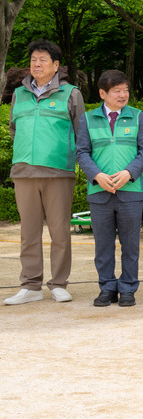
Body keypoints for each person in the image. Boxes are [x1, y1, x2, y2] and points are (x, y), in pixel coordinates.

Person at [4, 40, 84, 306]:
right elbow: (15, 128)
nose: (36, 65)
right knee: (28, 232)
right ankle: (31, 286)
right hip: (24, 171)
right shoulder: (19, 94)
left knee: (60, 231)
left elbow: (80, 133)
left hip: (58, 172)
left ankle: (59, 284)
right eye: (33, 60)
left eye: (43, 60)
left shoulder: (71, 94)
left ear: (56, 65)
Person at [76, 70, 143, 307]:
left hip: (130, 191)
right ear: (102, 93)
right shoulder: (88, 119)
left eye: (126, 89)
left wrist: (129, 173)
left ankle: (128, 287)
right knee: (103, 244)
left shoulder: (138, 117)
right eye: (117, 90)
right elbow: (81, 152)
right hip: (99, 192)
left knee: (131, 244)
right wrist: (97, 175)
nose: (123, 95)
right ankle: (107, 287)